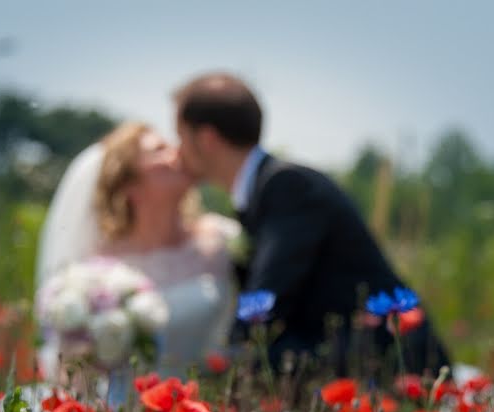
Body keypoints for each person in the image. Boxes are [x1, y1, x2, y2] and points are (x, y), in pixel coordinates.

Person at [173, 72, 451, 377]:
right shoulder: (263, 191)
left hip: (394, 365)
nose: (178, 151)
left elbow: (267, 298)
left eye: (181, 137)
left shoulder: (287, 186)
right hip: (351, 365)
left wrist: (221, 358)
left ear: (208, 139)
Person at [35, 122, 241, 385]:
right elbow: (71, 363)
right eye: (160, 149)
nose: (179, 152)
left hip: (208, 405)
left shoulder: (224, 239)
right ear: (128, 184)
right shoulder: (94, 273)